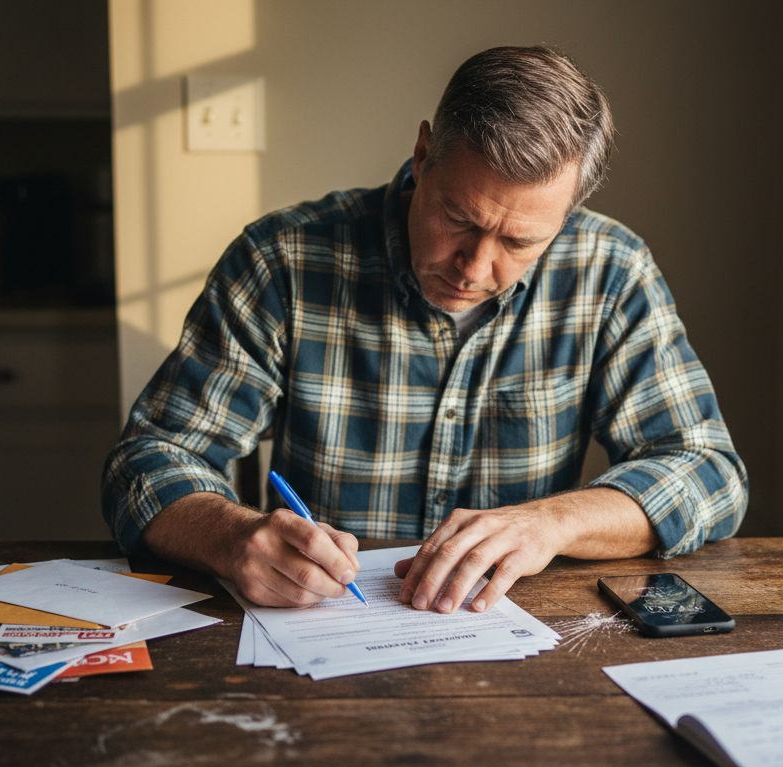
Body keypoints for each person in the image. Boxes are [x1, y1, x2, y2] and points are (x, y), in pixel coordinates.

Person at [101, 45, 747, 614]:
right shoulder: (285, 259)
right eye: (458, 218)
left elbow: (709, 471)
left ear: (569, 211)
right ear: (421, 154)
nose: (475, 267)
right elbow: (152, 456)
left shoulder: (610, 270)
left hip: (525, 647)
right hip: (321, 632)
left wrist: (553, 523)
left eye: (520, 241)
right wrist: (230, 535)